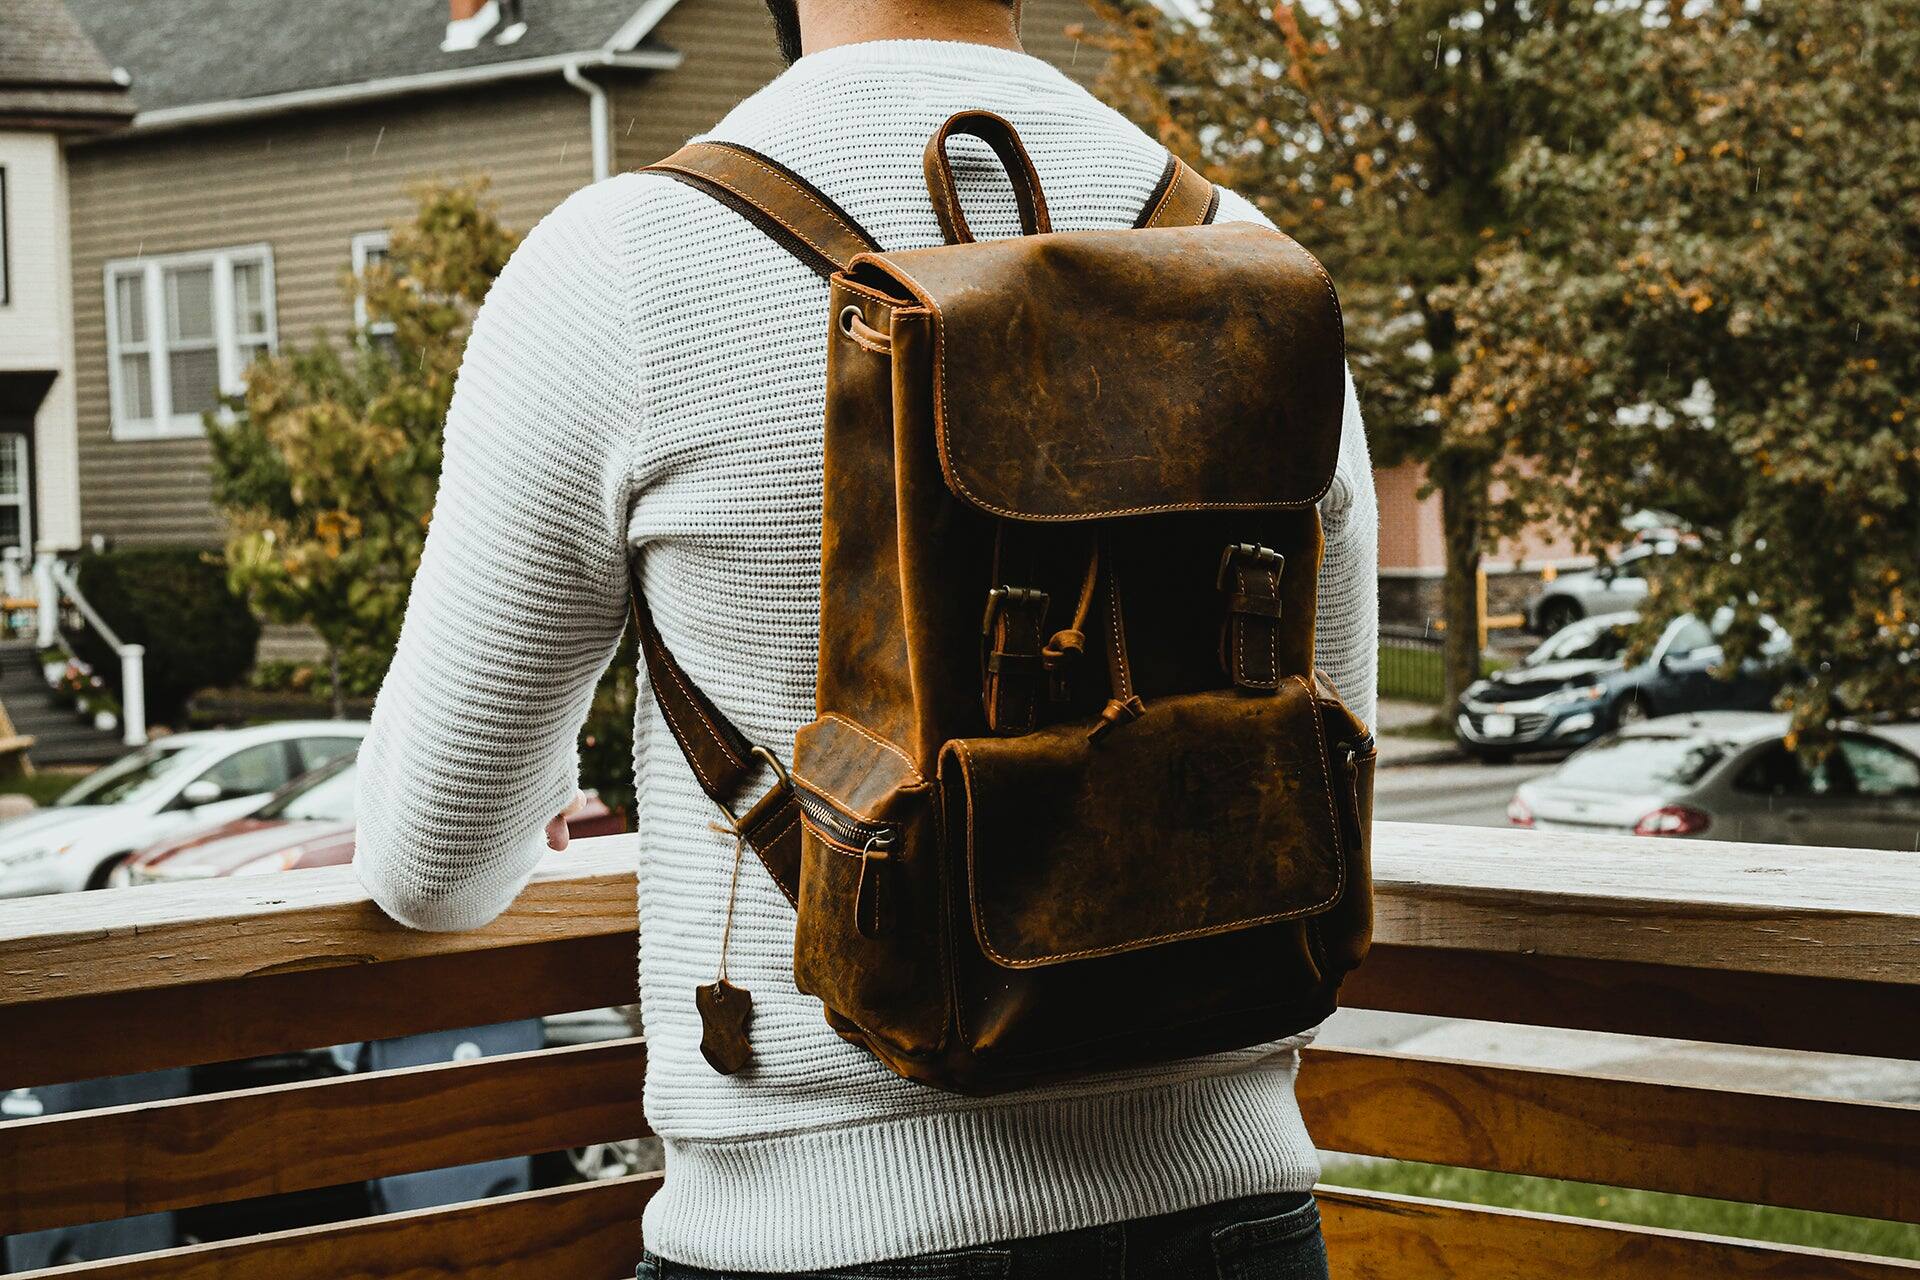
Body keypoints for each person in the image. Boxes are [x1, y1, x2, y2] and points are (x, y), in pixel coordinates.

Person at [354, 0, 1378, 1275]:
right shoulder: (1254, 264)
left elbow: (431, 860)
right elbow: (1328, 756)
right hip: (1240, 1222)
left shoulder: (625, 266)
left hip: (821, 1231)